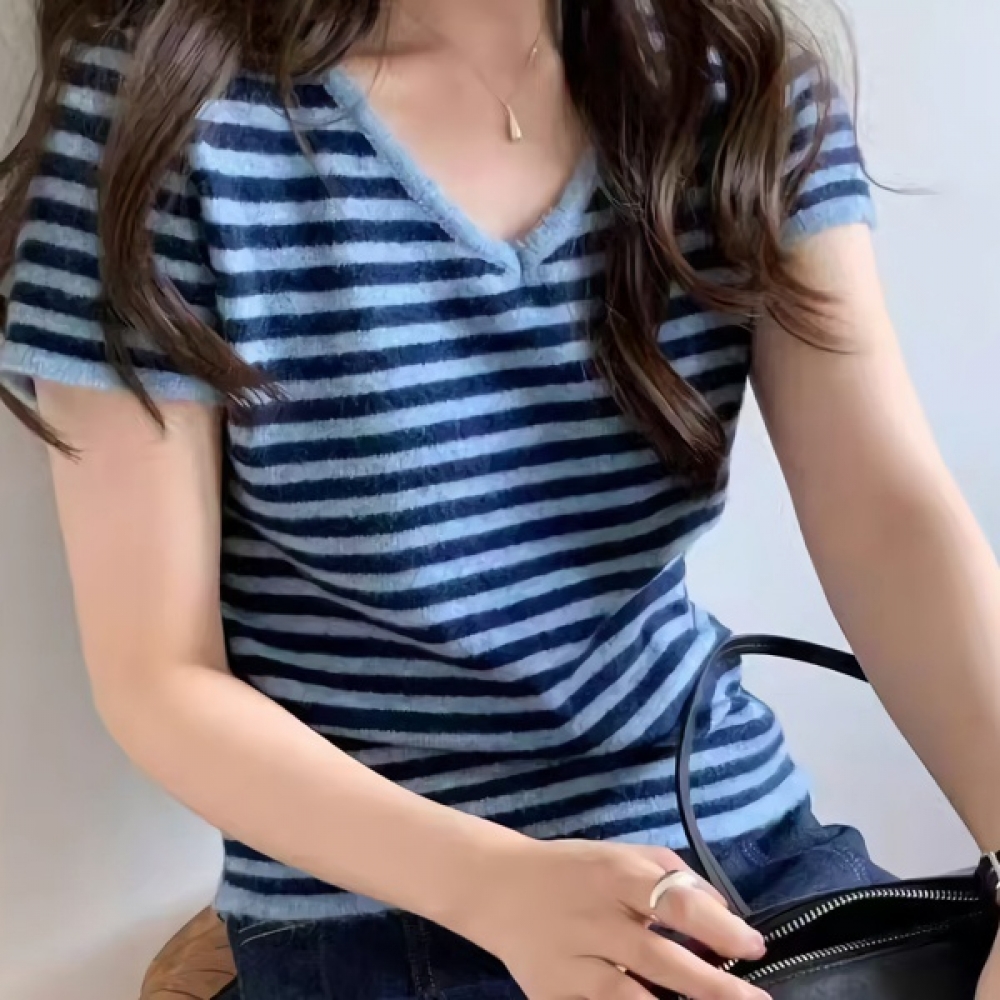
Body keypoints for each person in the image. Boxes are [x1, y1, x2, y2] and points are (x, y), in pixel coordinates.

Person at [2, 1, 1000, 998]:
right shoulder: (163, 117)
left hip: (737, 855)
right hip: (385, 904)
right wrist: (492, 884)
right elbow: (159, 676)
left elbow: (887, 516)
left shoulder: (734, 86)